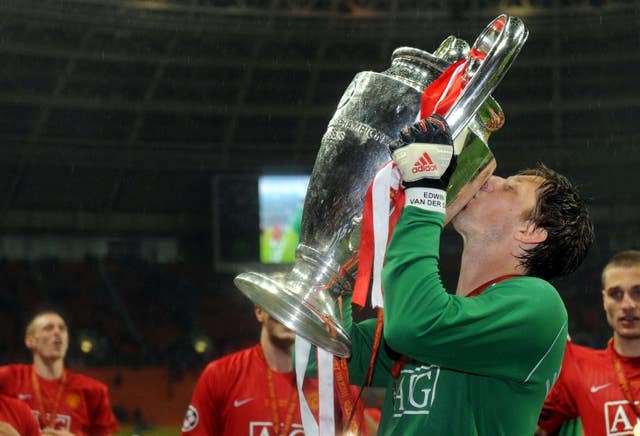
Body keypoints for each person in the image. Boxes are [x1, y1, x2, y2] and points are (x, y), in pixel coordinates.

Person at [338, 114, 594, 435]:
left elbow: (415, 325)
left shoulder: (540, 306)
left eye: (509, 188)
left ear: (531, 231)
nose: (489, 180)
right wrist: (345, 258)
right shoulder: (449, 314)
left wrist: (426, 193)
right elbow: (326, 357)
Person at [537, 250, 640, 436]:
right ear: (604, 300)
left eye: (638, 293)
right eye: (616, 293)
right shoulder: (578, 366)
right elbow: (529, 428)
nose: (628, 305)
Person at [182, 305, 320, 435]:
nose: (289, 313)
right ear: (259, 311)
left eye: (297, 305)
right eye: (279, 303)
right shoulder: (220, 374)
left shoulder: (327, 383)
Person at [0, 310, 119, 436]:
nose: (57, 332)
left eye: (62, 328)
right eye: (48, 328)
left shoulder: (93, 391)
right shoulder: (9, 377)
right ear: (30, 341)